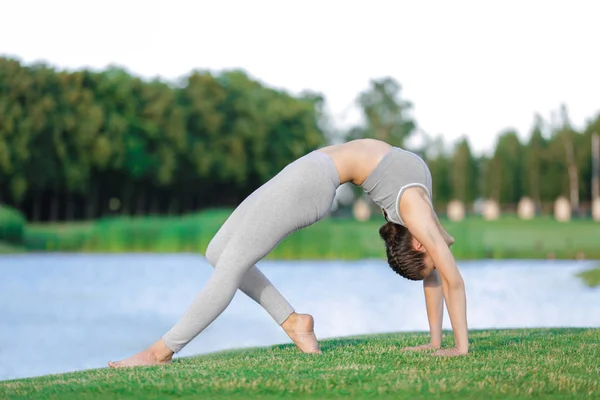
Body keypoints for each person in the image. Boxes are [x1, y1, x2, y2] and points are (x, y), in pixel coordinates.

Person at [109, 138, 468, 368]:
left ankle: (160, 351)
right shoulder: (418, 213)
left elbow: (436, 274)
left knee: (230, 263)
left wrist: (438, 343)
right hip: (311, 177)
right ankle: (294, 322)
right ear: (420, 242)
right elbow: (452, 280)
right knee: (219, 251)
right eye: (434, 253)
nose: (438, 257)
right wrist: (458, 347)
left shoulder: (418, 217)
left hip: (313, 175)